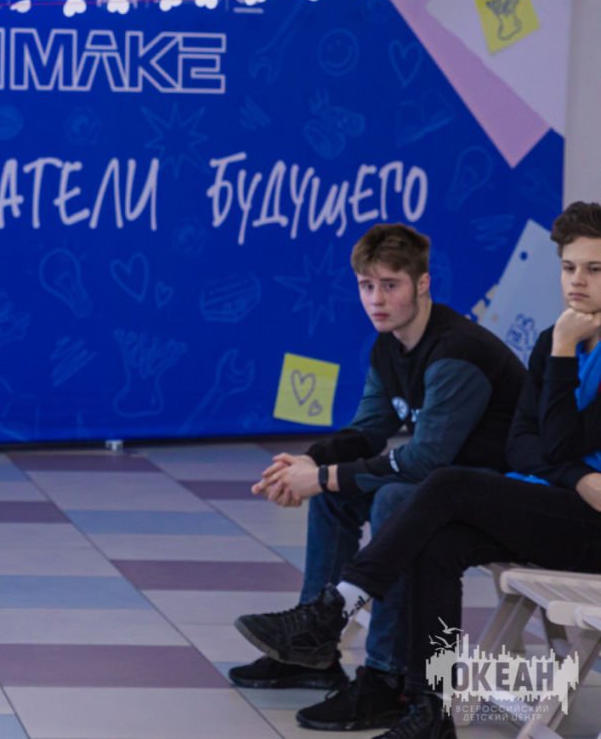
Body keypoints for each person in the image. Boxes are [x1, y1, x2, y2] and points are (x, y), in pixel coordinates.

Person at [234, 202, 601, 739]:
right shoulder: (551, 340)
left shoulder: (513, 346)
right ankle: (431, 706)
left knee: (426, 489)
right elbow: (528, 446)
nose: (577, 281)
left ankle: (350, 632)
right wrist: (316, 461)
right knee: (436, 544)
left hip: (567, 517)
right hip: (539, 499)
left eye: (594, 269)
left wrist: (566, 358)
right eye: (569, 267)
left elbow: (558, 441)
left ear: (422, 283)